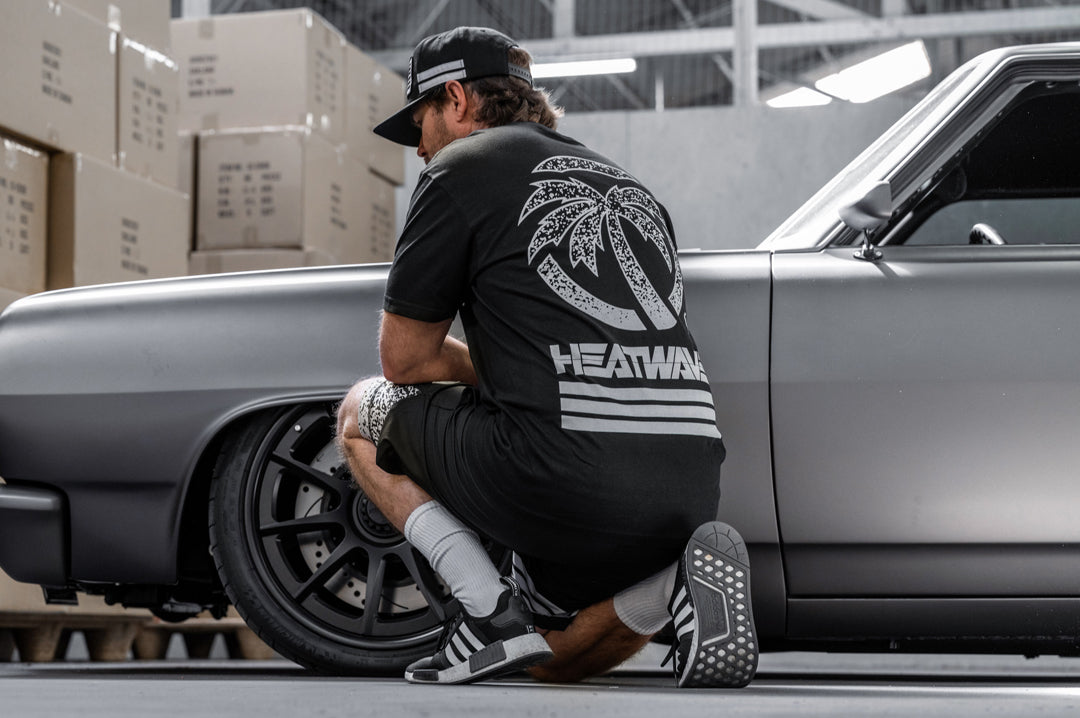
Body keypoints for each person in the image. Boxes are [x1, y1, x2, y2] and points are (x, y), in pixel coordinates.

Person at [336, 26, 757, 687]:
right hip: (689, 491)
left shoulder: (459, 170)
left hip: (560, 476)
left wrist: (501, 374)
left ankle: (486, 613)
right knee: (550, 664)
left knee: (363, 410)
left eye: (418, 122)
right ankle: (669, 581)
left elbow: (406, 360)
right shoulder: (634, 189)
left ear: (454, 98)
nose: (418, 148)